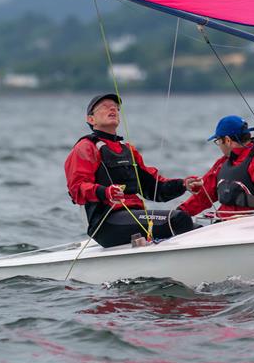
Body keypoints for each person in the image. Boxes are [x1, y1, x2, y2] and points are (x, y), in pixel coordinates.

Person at [65, 93, 194, 248]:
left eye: (116, 108)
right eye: (105, 106)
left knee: (197, 229)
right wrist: (106, 192)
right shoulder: (85, 147)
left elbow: (153, 188)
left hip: (132, 217)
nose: (112, 108)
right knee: (179, 220)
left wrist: (184, 185)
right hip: (105, 223)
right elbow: (76, 189)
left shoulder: (128, 151)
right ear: (91, 119)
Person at [177, 115, 254, 220]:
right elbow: (204, 196)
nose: (219, 145)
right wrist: (179, 213)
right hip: (222, 226)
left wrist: (249, 218)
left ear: (228, 140)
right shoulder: (222, 163)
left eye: (218, 141)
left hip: (252, 230)